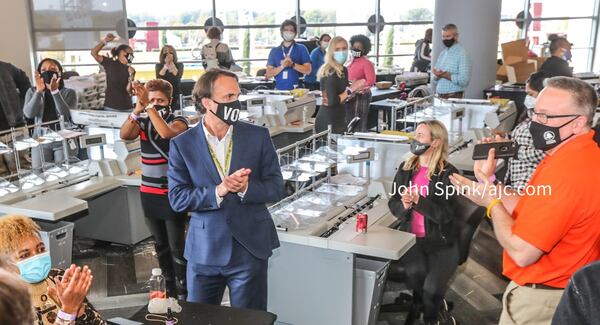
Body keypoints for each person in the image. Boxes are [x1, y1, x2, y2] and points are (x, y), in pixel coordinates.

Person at [450, 77, 600, 325]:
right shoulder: (573, 156)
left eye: (546, 117)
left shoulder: (568, 173)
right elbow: (534, 207)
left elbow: (522, 252)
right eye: (535, 113)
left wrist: (492, 203)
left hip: (542, 300)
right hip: (553, 291)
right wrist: (489, 183)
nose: (535, 124)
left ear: (578, 123)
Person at [167, 69, 285, 310]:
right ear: (207, 102)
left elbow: (276, 187)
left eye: (237, 95)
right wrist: (218, 191)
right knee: (198, 318)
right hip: (204, 251)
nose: (236, 102)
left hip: (249, 248)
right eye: (229, 96)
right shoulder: (182, 145)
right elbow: (177, 199)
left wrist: (247, 188)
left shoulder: (258, 136)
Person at [120, 79, 189, 299]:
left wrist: (149, 108)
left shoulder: (178, 120)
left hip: (171, 193)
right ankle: (168, 287)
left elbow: (166, 133)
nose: (156, 103)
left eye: (160, 100)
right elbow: (124, 134)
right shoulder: (142, 120)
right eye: (152, 99)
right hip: (148, 193)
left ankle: (184, 289)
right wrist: (137, 109)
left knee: (177, 246)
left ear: (170, 101)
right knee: (160, 245)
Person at [388, 120, 459, 325]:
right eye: (415, 134)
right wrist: (405, 206)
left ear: (435, 142)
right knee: (416, 274)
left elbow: (446, 215)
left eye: (420, 135)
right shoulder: (407, 167)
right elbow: (394, 203)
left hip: (439, 241)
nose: (414, 138)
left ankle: (431, 318)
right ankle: (426, 305)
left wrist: (420, 201)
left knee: (431, 288)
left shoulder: (449, 174)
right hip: (412, 239)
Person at [0, 215, 105, 325]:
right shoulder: (7, 300)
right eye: (25, 255)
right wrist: (68, 311)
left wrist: (78, 308)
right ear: (5, 263)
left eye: (41, 249)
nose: (37, 258)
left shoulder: (58, 278)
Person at [23, 58, 77, 172]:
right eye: (43, 70)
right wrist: (38, 92)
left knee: (65, 174)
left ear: (59, 73)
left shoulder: (69, 92)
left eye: (52, 69)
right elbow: (28, 114)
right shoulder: (32, 91)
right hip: (40, 139)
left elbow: (66, 115)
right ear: (39, 73)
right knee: (39, 173)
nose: (48, 72)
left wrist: (55, 92)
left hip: (63, 140)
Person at [503, 71, 547, 191]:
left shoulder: (547, 121)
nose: (527, 98)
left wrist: (514, 150)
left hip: (529, 183)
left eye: (530, 94)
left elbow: (545, 153)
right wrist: (506, 136)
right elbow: (526, 139)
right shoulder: (531, 114)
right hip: (516, 179)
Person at [315, 36, 366, 134]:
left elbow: (344, 96)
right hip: (327, 121)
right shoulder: (329, 71)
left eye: (344, 48)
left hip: (340, 118)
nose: (341, 52)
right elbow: (331, 101)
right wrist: (351, 89)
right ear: (331, 52)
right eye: (337, 49)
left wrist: (355, 91)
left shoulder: (343, 69)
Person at [0, 60, 32, 177]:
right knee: (2, 178)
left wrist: (23, 104)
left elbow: (26, 85)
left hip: (15, 129)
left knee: (23, 171)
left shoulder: (6, 68)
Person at [90, 33, 135, 111]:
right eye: (129, 53)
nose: (130, 56)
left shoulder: (130, 69)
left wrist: (132, 76)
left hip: (127, 106)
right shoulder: (110, 63)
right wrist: (105, 41)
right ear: (121, 52)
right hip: (111, 106)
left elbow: (129, 90)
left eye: (132, 54)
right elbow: (94, 53)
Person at [266, 20, 312, 90]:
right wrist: (282, 66)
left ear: (295, 33)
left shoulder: (301, 48)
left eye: (291, 30)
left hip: (297, 90)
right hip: (279, 90)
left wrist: (292, 64)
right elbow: (269, 74)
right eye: (286, 30)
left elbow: (308, 70)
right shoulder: (274, 51)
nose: (288, 32)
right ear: (281, 32)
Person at [431, 24, 472, 99]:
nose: (445, 39)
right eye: (443, 36)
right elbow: (434, 80)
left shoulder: (462, 54)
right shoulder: (443, 53)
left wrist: (447, 75)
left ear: (456, 37)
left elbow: (464, 80)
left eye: (448, 36)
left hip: (454, 97)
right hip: (439, 96)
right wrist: (437, 75)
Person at [347, 34, 376, 132]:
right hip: (350, 95)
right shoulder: (350, 61)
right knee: (350, 122)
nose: (356, 49)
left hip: (361, 95)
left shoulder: (366, 63)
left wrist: (359, 88)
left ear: (364, 49)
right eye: (354, 47)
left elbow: (371, 81)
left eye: (359, 47)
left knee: (359, 122)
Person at [156, 45, 184, 110]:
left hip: (176, 92)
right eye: (165, 51)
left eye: (170, 52)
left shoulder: (179, 65)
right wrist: (166, 65)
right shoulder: (158, 65)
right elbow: (159, 76)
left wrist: (171, 63)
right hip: (162, 92)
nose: (168, 54)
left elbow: (177, 75)